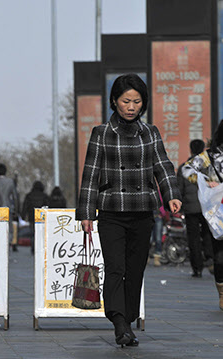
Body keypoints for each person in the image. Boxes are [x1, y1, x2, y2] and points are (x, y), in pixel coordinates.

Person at [76, 74, 182, 347]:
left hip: (143, 210)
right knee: (115, 268)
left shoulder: (151, 133)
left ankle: (128, 318)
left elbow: (163, 166)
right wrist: (86, 213)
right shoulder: (101, 133)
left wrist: (172, 195)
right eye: (126, 101)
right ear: (115, 101)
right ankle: (119, 322)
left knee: (135, 270)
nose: (131, 106)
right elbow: (90, 175)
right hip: (111, 211)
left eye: (137, 101)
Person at [181, 120, 223, 311]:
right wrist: (206, 182)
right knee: (220, 255)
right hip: (218, 213)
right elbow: (187, 169)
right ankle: (222, 292)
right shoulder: (210, 157)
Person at [177, 139, 214, 278]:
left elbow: (179, 189)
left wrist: (178, 204)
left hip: (190, 207)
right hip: (207, 206)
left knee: (193, 238)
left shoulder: (184, 167)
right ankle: (210, 259)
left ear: (191, 149)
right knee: (207, 234)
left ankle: (197, 268)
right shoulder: (209, 166)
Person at [21, 180, 50, 254]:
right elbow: (48, 206)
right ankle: (40, 247)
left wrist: (23, 216)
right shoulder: (44, 196)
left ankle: (33, 247)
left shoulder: (29, 195)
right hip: (42, 217)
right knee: (41, 232)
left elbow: (25, 206)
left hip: (32, 216)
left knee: (33, 233)